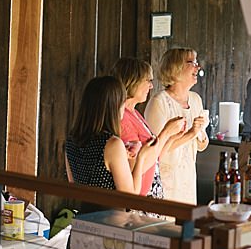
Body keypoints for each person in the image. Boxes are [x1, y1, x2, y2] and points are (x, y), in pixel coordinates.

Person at [64, 76, 153, 213]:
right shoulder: (111, 144)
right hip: (110, 224)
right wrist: (141, 157)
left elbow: (74, 184)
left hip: (83, 220)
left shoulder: (71, 140)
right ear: (115, 105)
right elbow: (131, 198)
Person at [111, 57, 186, 201]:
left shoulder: (134, 112)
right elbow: (135, 168)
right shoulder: (123, 120)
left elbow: (154, 159)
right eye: (148, 81)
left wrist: (172, 138)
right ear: (132, 81)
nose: (151, 86)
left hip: (150, 192)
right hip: (139, 198)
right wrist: (166, 132)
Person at [145, 48, 209, 205]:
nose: (197, 67)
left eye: (196, 62)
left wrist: (199, 133)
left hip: (188, 179)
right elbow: (156, 151)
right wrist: (192, 133)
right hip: (166, 182)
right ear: (175, 68)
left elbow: (202, 145)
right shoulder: (159, 102)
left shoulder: (195, 100)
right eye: (191, 62)